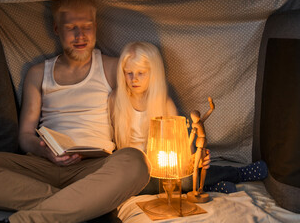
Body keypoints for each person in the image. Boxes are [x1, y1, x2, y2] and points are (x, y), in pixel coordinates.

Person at [0, 0, 150, 223]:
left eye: (87, 27)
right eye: (71, 28)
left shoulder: (112, 67)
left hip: (94, 169)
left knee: (136, 162)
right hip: (42, 166)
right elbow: (25, 136)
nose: (80, 35)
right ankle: (87, 208)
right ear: (57, 29)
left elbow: (140, 106)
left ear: (96, 27)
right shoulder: (38, 73)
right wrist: (45, 151)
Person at [109, 41, 268, 195]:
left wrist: (194, 160)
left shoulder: (164, 103)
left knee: (183, 179)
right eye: (128, 73)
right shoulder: (115, 100)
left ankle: (238, 174)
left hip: (162, 169)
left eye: (140, 73)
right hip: (134, 173)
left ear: (153, 74)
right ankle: (206, 187)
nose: (134, 79)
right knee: (135, 188)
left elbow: (182, 147)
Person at [189, 96, 214, 196]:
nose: (195, 119)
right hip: (199, 146)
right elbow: (192, 135)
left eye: (196, 118)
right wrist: (187, 145)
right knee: (195, 167)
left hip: (203, 146)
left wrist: (211, 103)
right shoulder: (194, 125)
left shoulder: (200, 122)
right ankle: (194, 189)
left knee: (204, 167)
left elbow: (210, 110)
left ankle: (201, 188)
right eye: (194, 118)